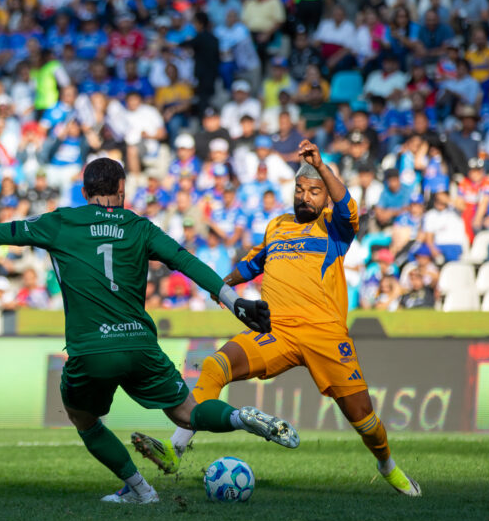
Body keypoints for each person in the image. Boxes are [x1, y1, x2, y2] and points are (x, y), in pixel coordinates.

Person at [0, 158, 296, 504]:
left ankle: (141, 491)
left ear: (84, 192)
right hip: (140, 345)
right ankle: (239, 417)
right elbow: (185, 261)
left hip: (91, 350)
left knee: (83, 417)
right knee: (187, 414)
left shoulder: (60, 222)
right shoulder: (140, 227)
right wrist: (235, 301)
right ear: (122, 192)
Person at [133, 141, 420, 497]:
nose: (305, 197)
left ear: (325, 196)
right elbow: (252, 263)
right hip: (277, 331)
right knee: (214, 366)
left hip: (325, 336)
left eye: (314, 191)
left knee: (364, 420)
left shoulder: (335, 227)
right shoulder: (277, 227)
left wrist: (322, 166)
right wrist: (223, 286)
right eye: (300, 189)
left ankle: (387, 466)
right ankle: (174, 452)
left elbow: (348, 206)